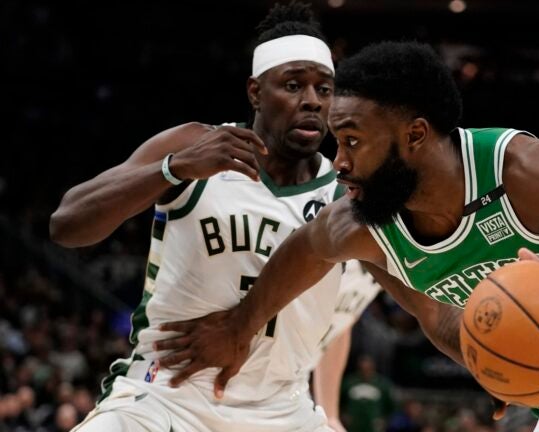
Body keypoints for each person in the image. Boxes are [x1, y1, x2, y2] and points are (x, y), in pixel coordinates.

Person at [154, 41, 539, 432]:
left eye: (351, 141)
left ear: (414, 135)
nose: (337, 163)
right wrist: (239, 325)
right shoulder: (361, 223)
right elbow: (434, 316)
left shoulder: (525, 172)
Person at [48, 3, 365, 431]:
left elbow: (424, 307)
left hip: (283, 409)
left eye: (324, 90)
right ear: (255, 92)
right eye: (293, 86)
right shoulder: (196, 144)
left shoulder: (346, 192)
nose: (311, 101)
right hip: (163, 398)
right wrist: (173, 167)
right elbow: (66, 224)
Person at [313, 261, 382, 432]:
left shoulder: (388, 264)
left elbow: (340, 326)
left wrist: (329, 415)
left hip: (292, 384)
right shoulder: (331, 251)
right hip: (259, 375)